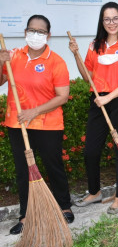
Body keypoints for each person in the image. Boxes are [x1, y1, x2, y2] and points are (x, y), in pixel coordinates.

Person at [0, 15, 74, 235]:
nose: (35, 35)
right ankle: (26, 214)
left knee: (53, 166)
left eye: (41, 32)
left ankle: (64, 206)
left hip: (47, 124)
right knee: (23, 171)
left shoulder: (56, 61)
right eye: (32, 30)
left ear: (48, 36)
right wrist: (0, 61)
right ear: (25, 32)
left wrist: (34, 111)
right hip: (17, 123)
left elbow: (62, 96)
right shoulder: (13, 55)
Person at [68, 2, 118, 214]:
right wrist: (75, 55)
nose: (112, 23)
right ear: (102, 21)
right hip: (98, 102)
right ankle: (95, 192)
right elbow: (88, 77)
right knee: (90, 150)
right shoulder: (95, 45)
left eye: (116, 18)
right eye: (107, 19)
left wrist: (109, 97)